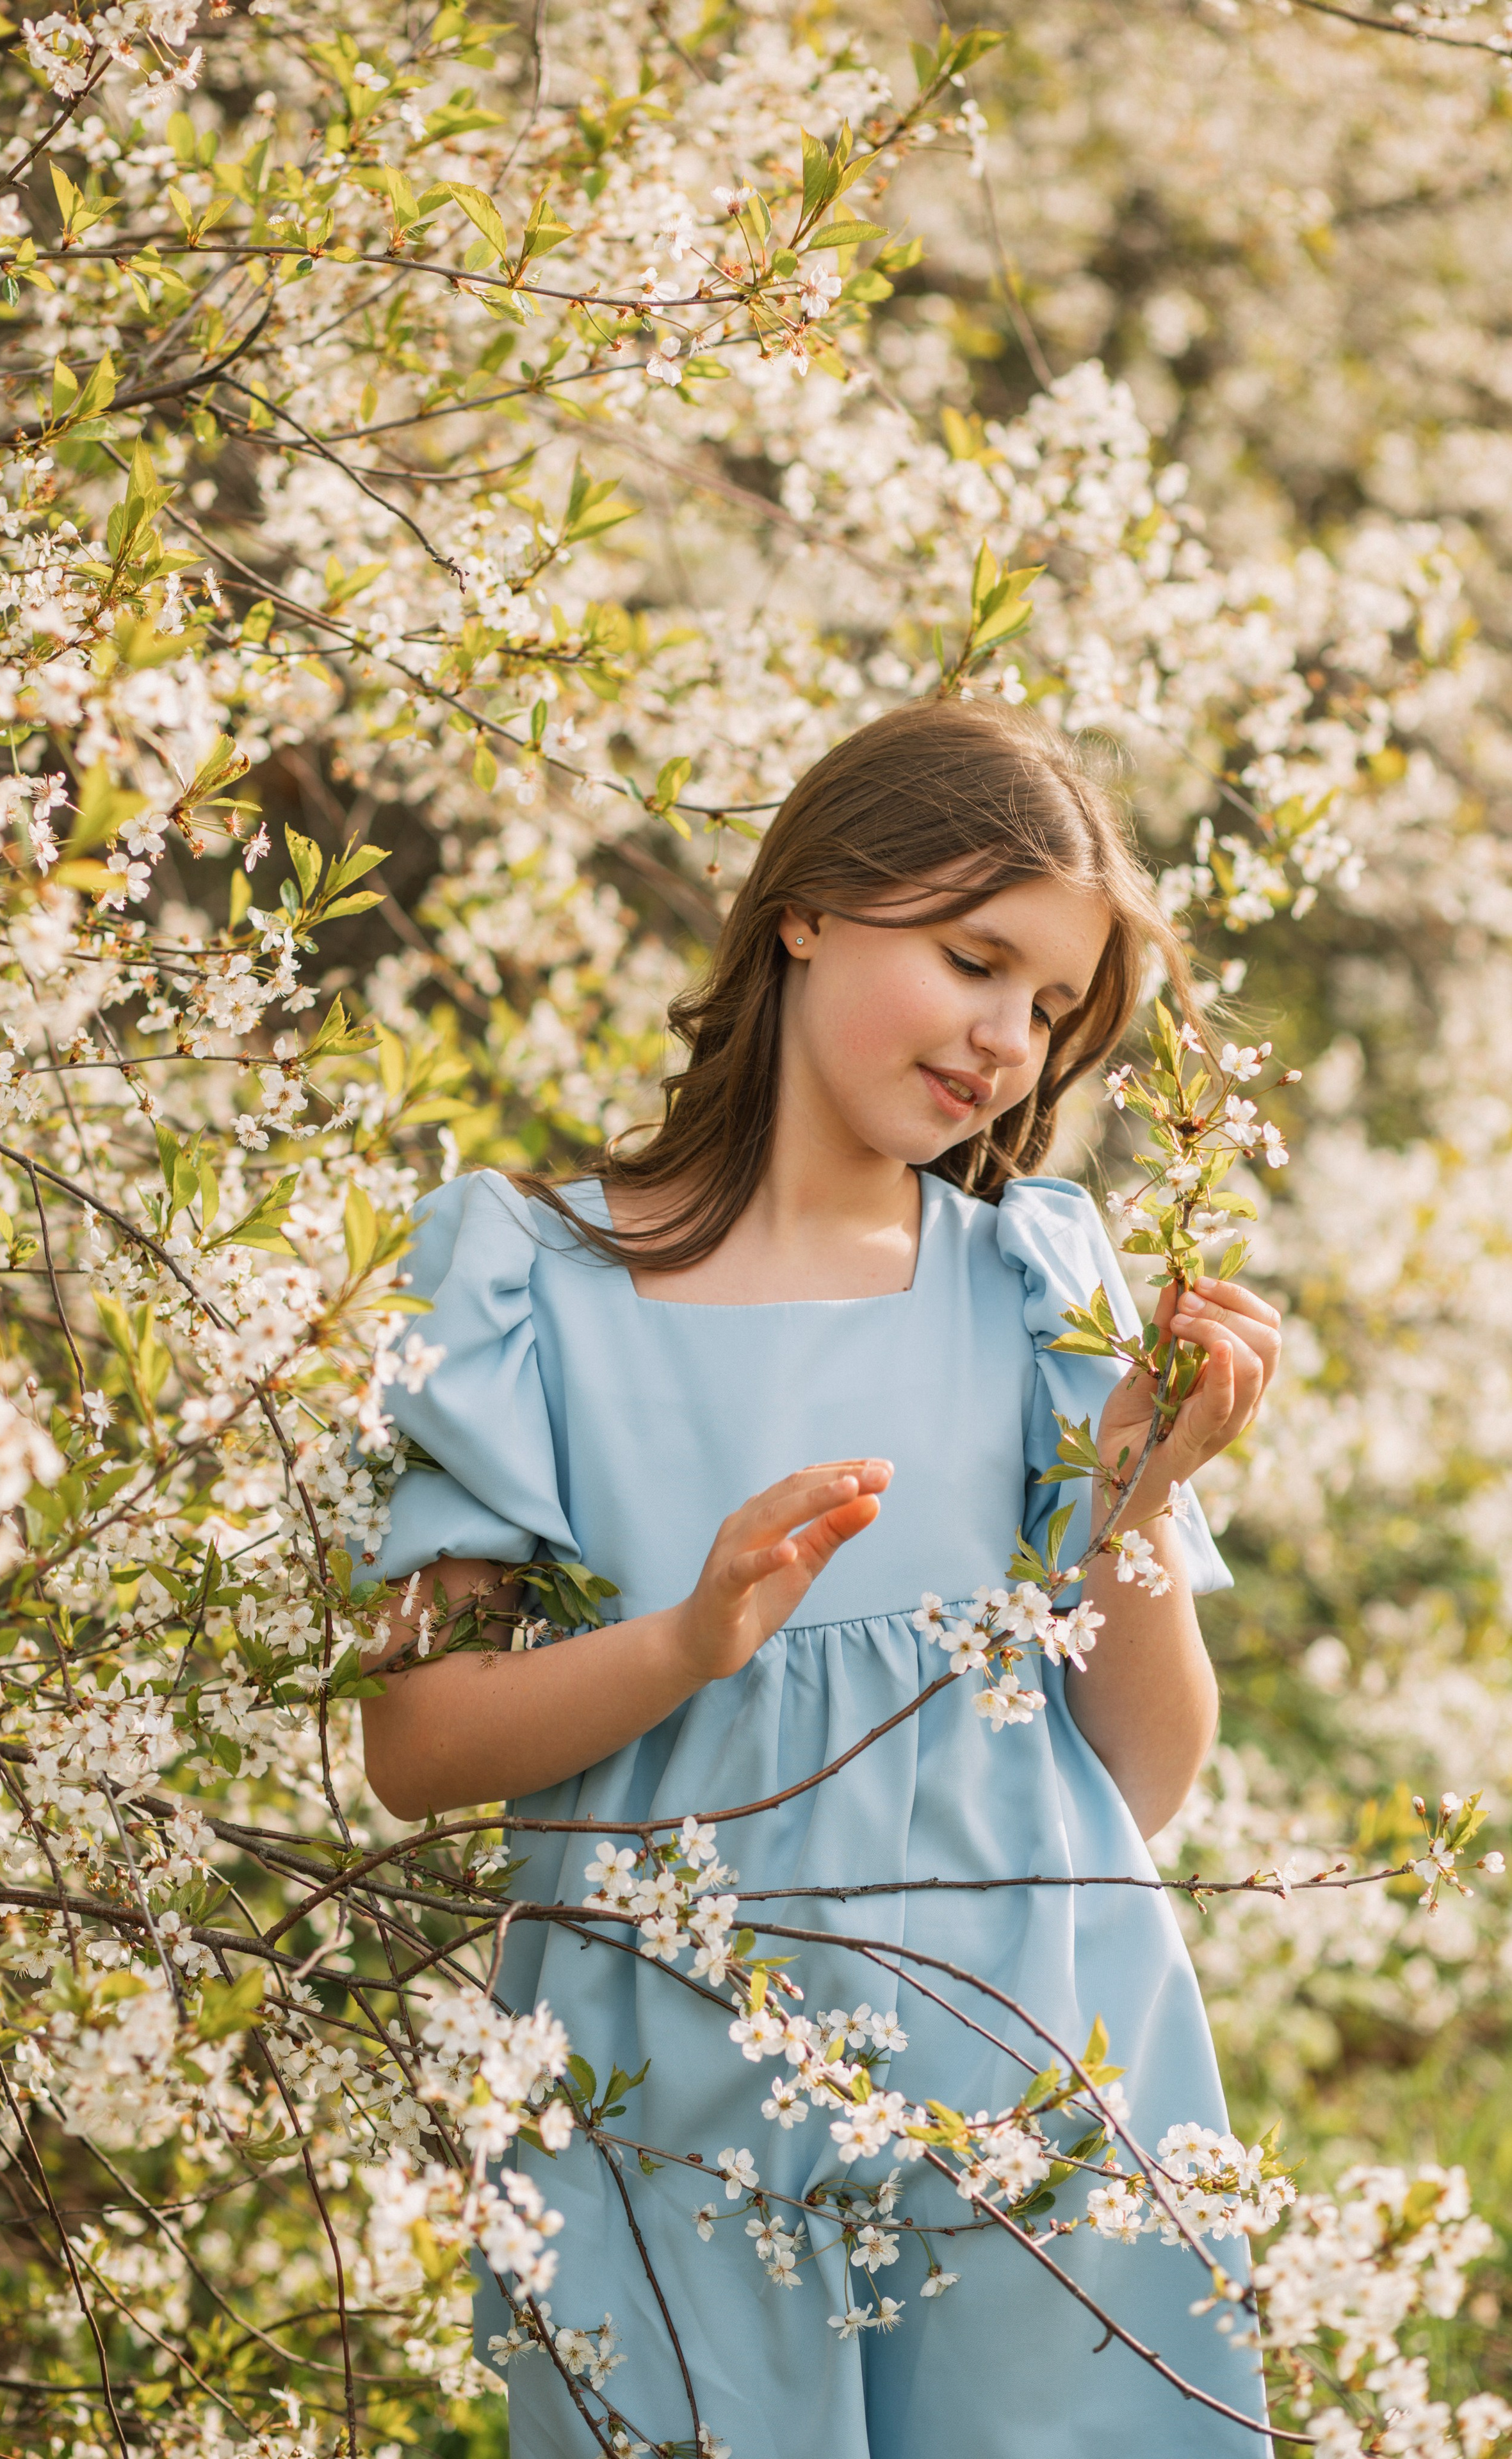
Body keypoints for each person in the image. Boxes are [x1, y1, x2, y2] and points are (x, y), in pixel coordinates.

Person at [360, 696, 1281, 2458]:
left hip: (1035, 2096)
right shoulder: (517, 1280)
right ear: (806, 908)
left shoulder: (1041, 1279)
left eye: (1051, 1009)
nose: (1007, 1040)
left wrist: (1135, 1502)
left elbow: (1139, 1785)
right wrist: (688, 1643)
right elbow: (414, 1747)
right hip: (664, 2119)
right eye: (974, 960)